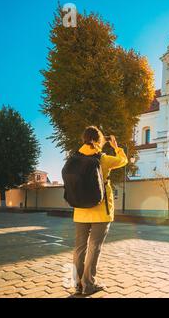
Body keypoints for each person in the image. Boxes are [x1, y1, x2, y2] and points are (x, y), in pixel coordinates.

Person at [72, 126, 127, 296]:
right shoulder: (103, 159)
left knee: (79, 248)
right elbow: (123, 160)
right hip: (100, 210)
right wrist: (116, 146)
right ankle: (88, 285)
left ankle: (78, 284)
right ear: (98, 140)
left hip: (80, 210)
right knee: (94, 247)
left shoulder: (74, 158)